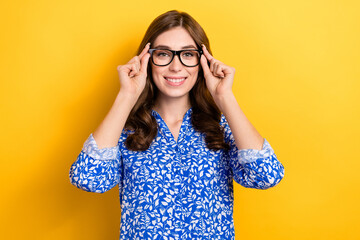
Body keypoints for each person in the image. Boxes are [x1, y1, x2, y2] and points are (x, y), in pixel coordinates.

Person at [69, 10, 284, 240]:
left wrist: (224, 97)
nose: (175, 66)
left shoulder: (221, 126)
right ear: (147, 59)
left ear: (202, 61)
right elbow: (88, 179)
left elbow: (267, 176)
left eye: (188, 54)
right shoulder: (125, 128)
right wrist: (127, 95)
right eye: (163, 54)